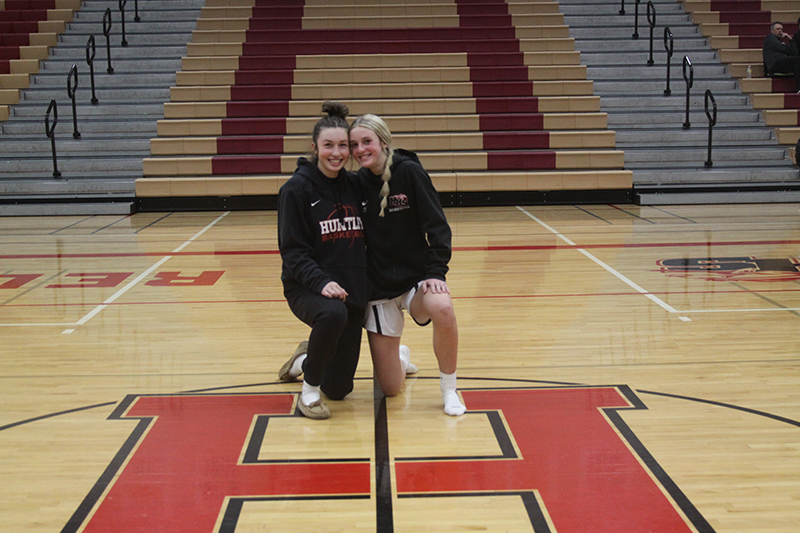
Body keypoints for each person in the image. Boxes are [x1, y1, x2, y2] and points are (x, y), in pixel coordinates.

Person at [349, 114, 466, 416]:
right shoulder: (355, 184)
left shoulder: (409, 172)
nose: (360, 149)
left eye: (366, 141)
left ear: (383, 142)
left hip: (416, 283)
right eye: (354, 145)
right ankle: (400, 356)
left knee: (442, 306)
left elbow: (438, 227)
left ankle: (450, 389)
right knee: (390, 388)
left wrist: (436, 271)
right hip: (379, 290)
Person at [276, 101, 368, 420]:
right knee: (332, 314)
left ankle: (305, 360)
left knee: (340, 389)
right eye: (328, 145)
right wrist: (322, 282)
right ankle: (308, 395)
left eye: (343, 145)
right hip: (307, 286)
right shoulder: (296, 190)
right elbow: (293, 253)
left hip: (349, 291)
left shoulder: (356, 186)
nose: (336, 153)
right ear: (314, 147)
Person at [763, 21, 800, 92]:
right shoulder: (769, 38)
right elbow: (782, 48)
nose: (780, 31)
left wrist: (790, 39)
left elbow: (795, 53)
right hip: (775, 63)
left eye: (781, 29)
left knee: (798, 62)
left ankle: (799, 88)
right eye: (778, 29)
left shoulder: (782, 42)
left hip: (783, 62)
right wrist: (786, 47)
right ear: (772, 31)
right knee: (798, 60)